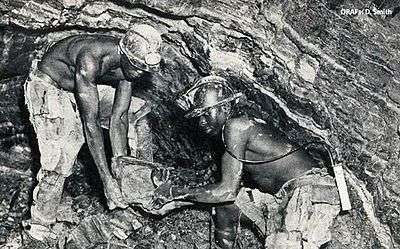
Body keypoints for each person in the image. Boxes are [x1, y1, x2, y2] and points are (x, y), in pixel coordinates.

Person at [150, 76, 341, 248]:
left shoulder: (236, 127)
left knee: (282, 243)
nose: (201, 122)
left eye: (206, 113)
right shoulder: (237, 131)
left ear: (225, 107)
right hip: (282, 197)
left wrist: (175, 192)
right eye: (198, 116)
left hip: (309, 190)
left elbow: (226, 191)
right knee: (227, 207)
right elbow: (228, 194)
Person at [24, 23, 162, 240]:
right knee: (63, 150)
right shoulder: (91, 58)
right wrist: (106, 179)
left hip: (82, 88)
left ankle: (135, 193)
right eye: (137, 66)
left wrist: (120, 163)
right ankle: (40, 226)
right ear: (123, 54)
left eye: (144, 68)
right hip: (49, 86)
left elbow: (120, 117)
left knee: (139, 113)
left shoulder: (129, 69)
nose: (140, 73)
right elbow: (91, 123)